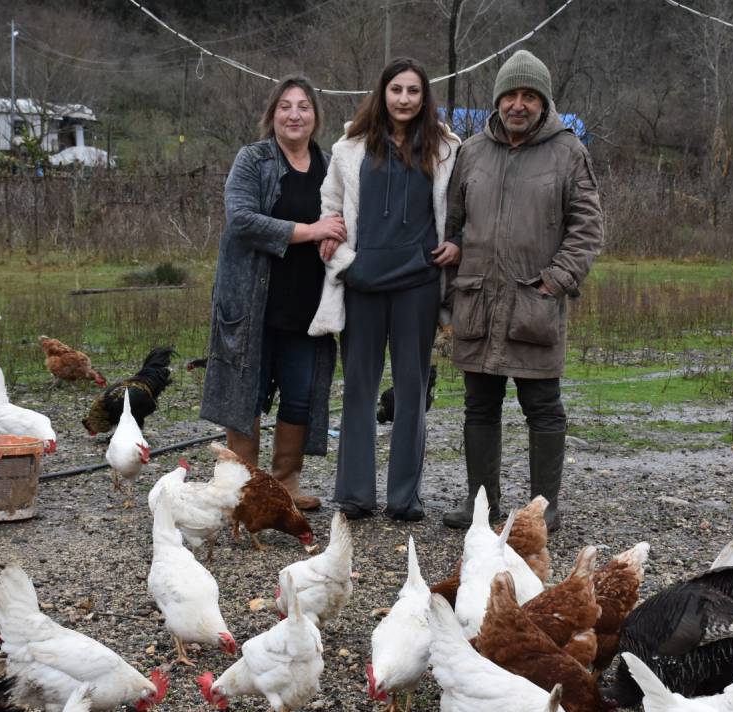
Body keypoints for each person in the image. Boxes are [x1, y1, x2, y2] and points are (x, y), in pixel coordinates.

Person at [441, 49, 605, 533]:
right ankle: (481, 508)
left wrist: (556, 279)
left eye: (529, 96)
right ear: (497, 101)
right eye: (510, 95)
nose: (518, 104)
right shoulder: (471, 151)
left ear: (543, 102)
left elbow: (587, 229)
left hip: (535, 303)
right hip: (478, 303)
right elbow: (453, 224)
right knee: (479, 407)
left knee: (543, 408)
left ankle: (543, 509)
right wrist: (453, 261)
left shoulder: (569, 152)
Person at [307, 57, 462, 521]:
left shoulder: (445, 148)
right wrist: (335, 249)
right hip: (363, 281)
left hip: (417, 281)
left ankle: (404, 498)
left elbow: (458, 209)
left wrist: (455, 244)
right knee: (358, 387)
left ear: (424, 97)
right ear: (383, 93)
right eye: (397, 90)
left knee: (412, 389)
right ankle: (355, 495)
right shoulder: (351, 146)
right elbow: (330, 203)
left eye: (414, 91)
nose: (404, 99)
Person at [201, 75, 345, 511]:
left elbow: (343, 219)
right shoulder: (254, 160)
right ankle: (244, 489)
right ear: (272, 114)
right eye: (285, 106)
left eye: (304, 105)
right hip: (253, 305)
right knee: (248, 393)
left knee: (300, 395)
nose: (295, 114)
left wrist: (335, 236)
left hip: (308, 308)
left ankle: (285, 486)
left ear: (316, 116)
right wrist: (311, 230)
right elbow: (241, 218)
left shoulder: (329, 164)